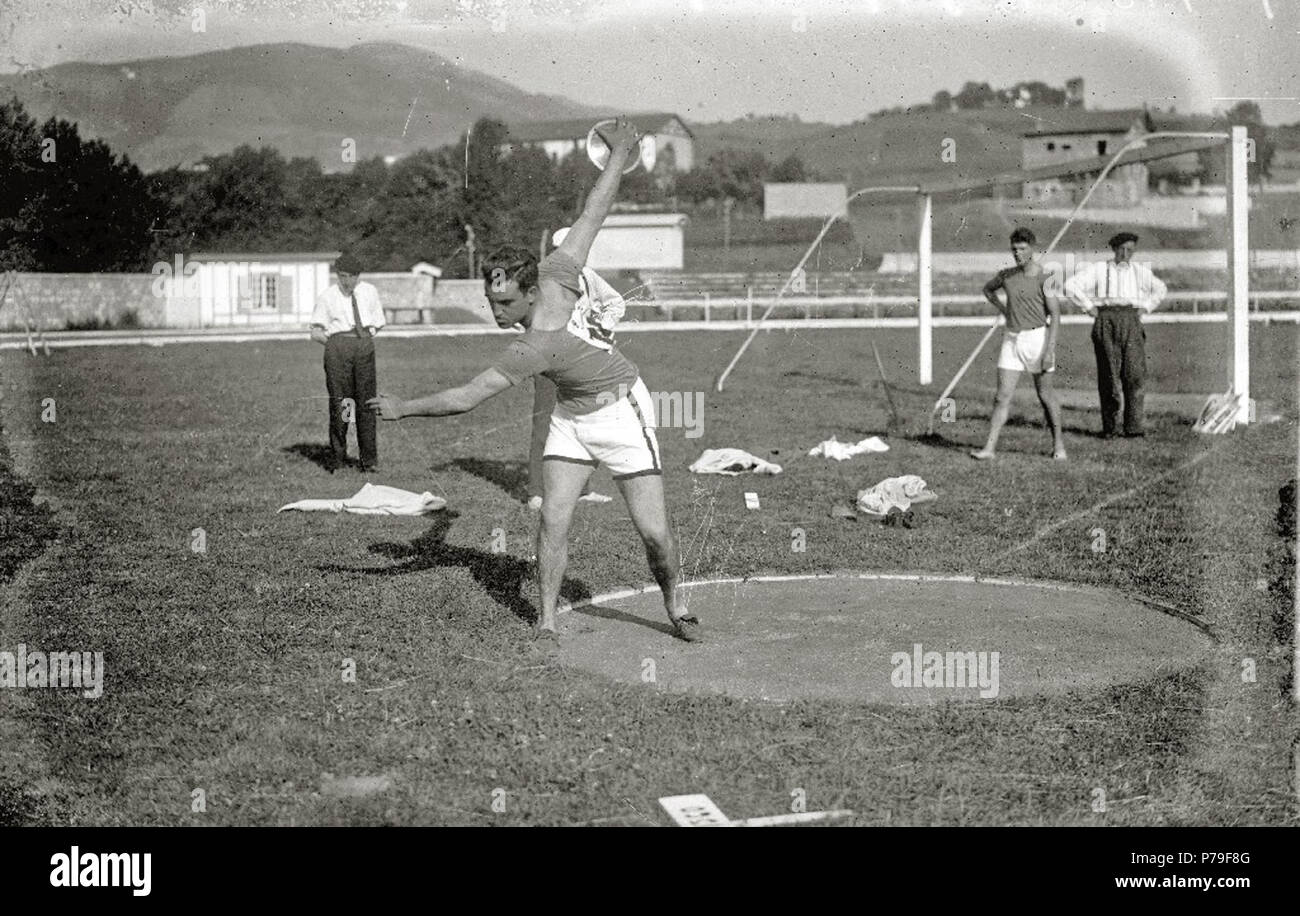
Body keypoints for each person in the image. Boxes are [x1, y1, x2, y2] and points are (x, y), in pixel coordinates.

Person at [367, 118, 698, 644]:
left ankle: (675, 605)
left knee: (654, 534)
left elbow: (467, 397)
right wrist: (619, 155)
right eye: (489, 299)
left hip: (621, 413)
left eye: (503, 302)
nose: (494, 310)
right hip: (571, 419)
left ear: (528, 289)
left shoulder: (542, 319)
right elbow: (594, 207)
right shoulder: (544, 298)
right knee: (551, 521)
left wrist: (621, 154)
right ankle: (545, 619)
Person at [970, 227, 1067, 461]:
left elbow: (1055, 315)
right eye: (1014, 249)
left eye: (1022, 249)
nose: (1017, 253)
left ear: (1032, 249)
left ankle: (1059, 445)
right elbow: (987, 289)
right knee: (1002, 396)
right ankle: (989, 448)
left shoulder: (1046, 278)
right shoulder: (1006, 275)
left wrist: (1049, 350)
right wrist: (1004, 310)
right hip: (1012, 340)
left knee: (1045, 395)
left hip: (1038, 339)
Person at [1063, 231, 1168, 438]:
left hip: (1131, 319)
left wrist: (1145, 307)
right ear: (1114, 249)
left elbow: (1160, 289)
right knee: (1109, 376)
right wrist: (1089, 307)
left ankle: (1133, 428)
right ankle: (1110, 428)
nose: (1126, 254)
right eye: (1122, 249)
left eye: (1130, 250)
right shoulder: (1100, 269)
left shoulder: (1139, 271)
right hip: (1106, 319)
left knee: (1134, 375)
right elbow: (1070, 286)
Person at [309, 252, 385, 472]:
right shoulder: (328, 296)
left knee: (366, 403)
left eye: (352, 276)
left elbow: (378, 322)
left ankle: (369, 461)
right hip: (338, 348)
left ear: (358, 276)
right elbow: (315, 331)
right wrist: (335, 346)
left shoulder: (369, 292)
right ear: (337, 275)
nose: (347, 281)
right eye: (342, 276)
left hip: (363, 346)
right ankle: (339, 459)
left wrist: (363, 340)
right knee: (343, 404)